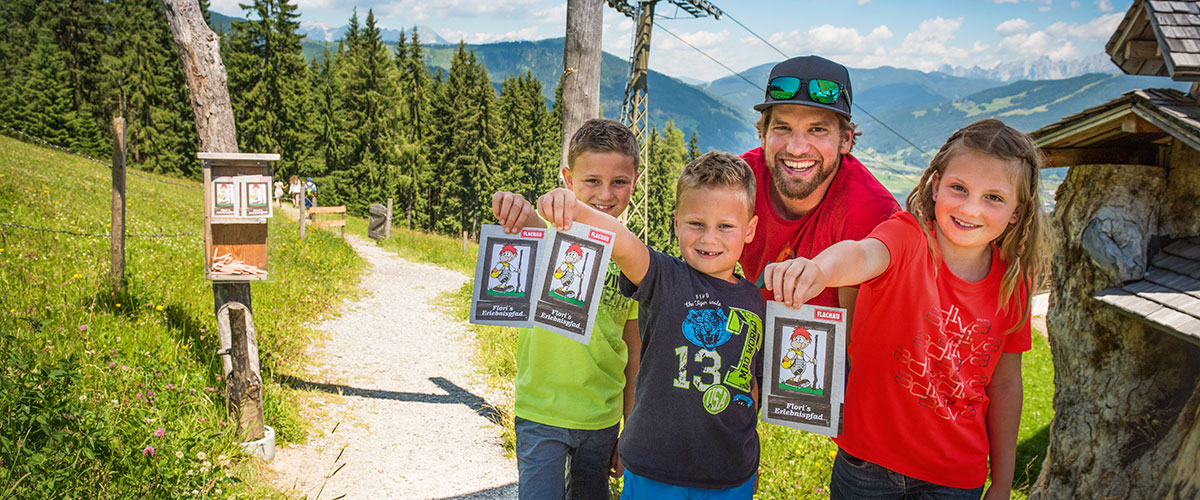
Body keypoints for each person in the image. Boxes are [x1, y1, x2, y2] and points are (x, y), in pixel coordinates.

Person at [763, 118, 1046, 500]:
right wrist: (819, 269)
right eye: (958, 188)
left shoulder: (1013, 283)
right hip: (866, 463)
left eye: (993, 197)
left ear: (1017, 211)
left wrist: (1004, 480)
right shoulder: (906, 237)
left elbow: (1007, 384)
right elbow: (862, 254)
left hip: (955, 476)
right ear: (935, 186)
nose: (970, 208)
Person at [537, 151, 765, 499]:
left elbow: (753, 390)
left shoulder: (758, 302)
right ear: (676, 223)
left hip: (730, 476)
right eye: (696, 224)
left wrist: (750, 465)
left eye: (725, 226)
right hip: (654, 470)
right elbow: (620, 239)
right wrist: (575, 209)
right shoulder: (662, 276)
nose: (709, 238)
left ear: (749, 230)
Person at [491, 118, 642, 500]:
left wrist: (630, 428)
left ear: (635, 181)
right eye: (591, 180)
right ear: (568, 178)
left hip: (602, 418)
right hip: (540, 413)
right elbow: (524, 217)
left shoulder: (634, 259)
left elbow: (634, 352)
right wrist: (514, 205)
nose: (605, 194)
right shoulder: (546, 231)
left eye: (619, 182)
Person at [739, 55, 900, 316]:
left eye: (817, 130)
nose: (797, 148)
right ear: (763, 134)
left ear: (846, 140)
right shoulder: (738, 184)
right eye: (783, 128)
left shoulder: (872, 211)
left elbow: (856, 339)